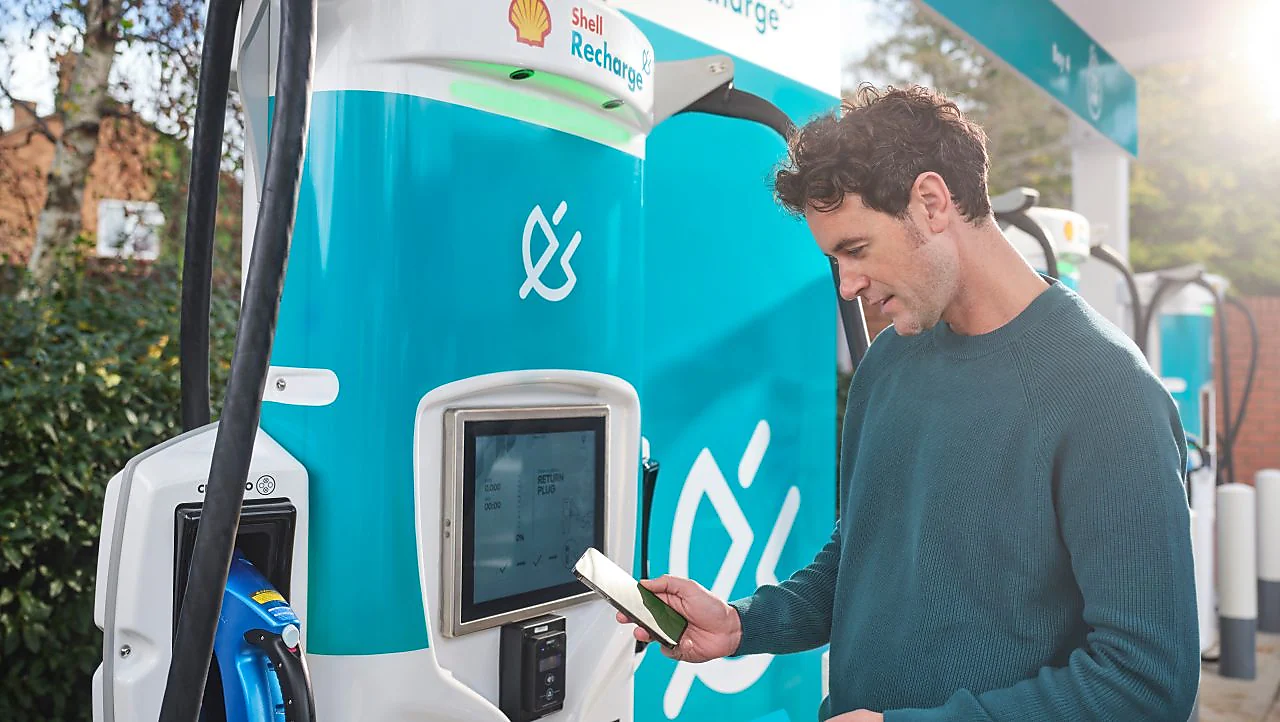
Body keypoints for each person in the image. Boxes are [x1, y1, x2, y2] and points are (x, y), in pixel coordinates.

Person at [617, 84, 1199, 721]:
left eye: (856, 249)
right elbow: (861, 560)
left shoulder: (1107, 393)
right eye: (834, 258)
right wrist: (740, 624)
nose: (847, 283)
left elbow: (1146, 683)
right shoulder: (889, 362)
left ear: (931, 202)